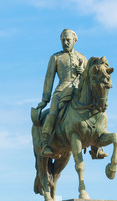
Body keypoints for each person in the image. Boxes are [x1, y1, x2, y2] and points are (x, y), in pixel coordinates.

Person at [37, 29, 107, 159]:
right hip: (61, 91)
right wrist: (45, 99)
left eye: (68, 40)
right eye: (63, 40)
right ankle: (46, 143)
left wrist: (83, 72)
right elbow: (49, 79)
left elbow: (89, 79)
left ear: (74, 40)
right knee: (52, 113)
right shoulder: (56, 57)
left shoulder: (82, 57)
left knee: (97, 109)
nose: (65, 42)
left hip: (79, 91)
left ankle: (96, 147)